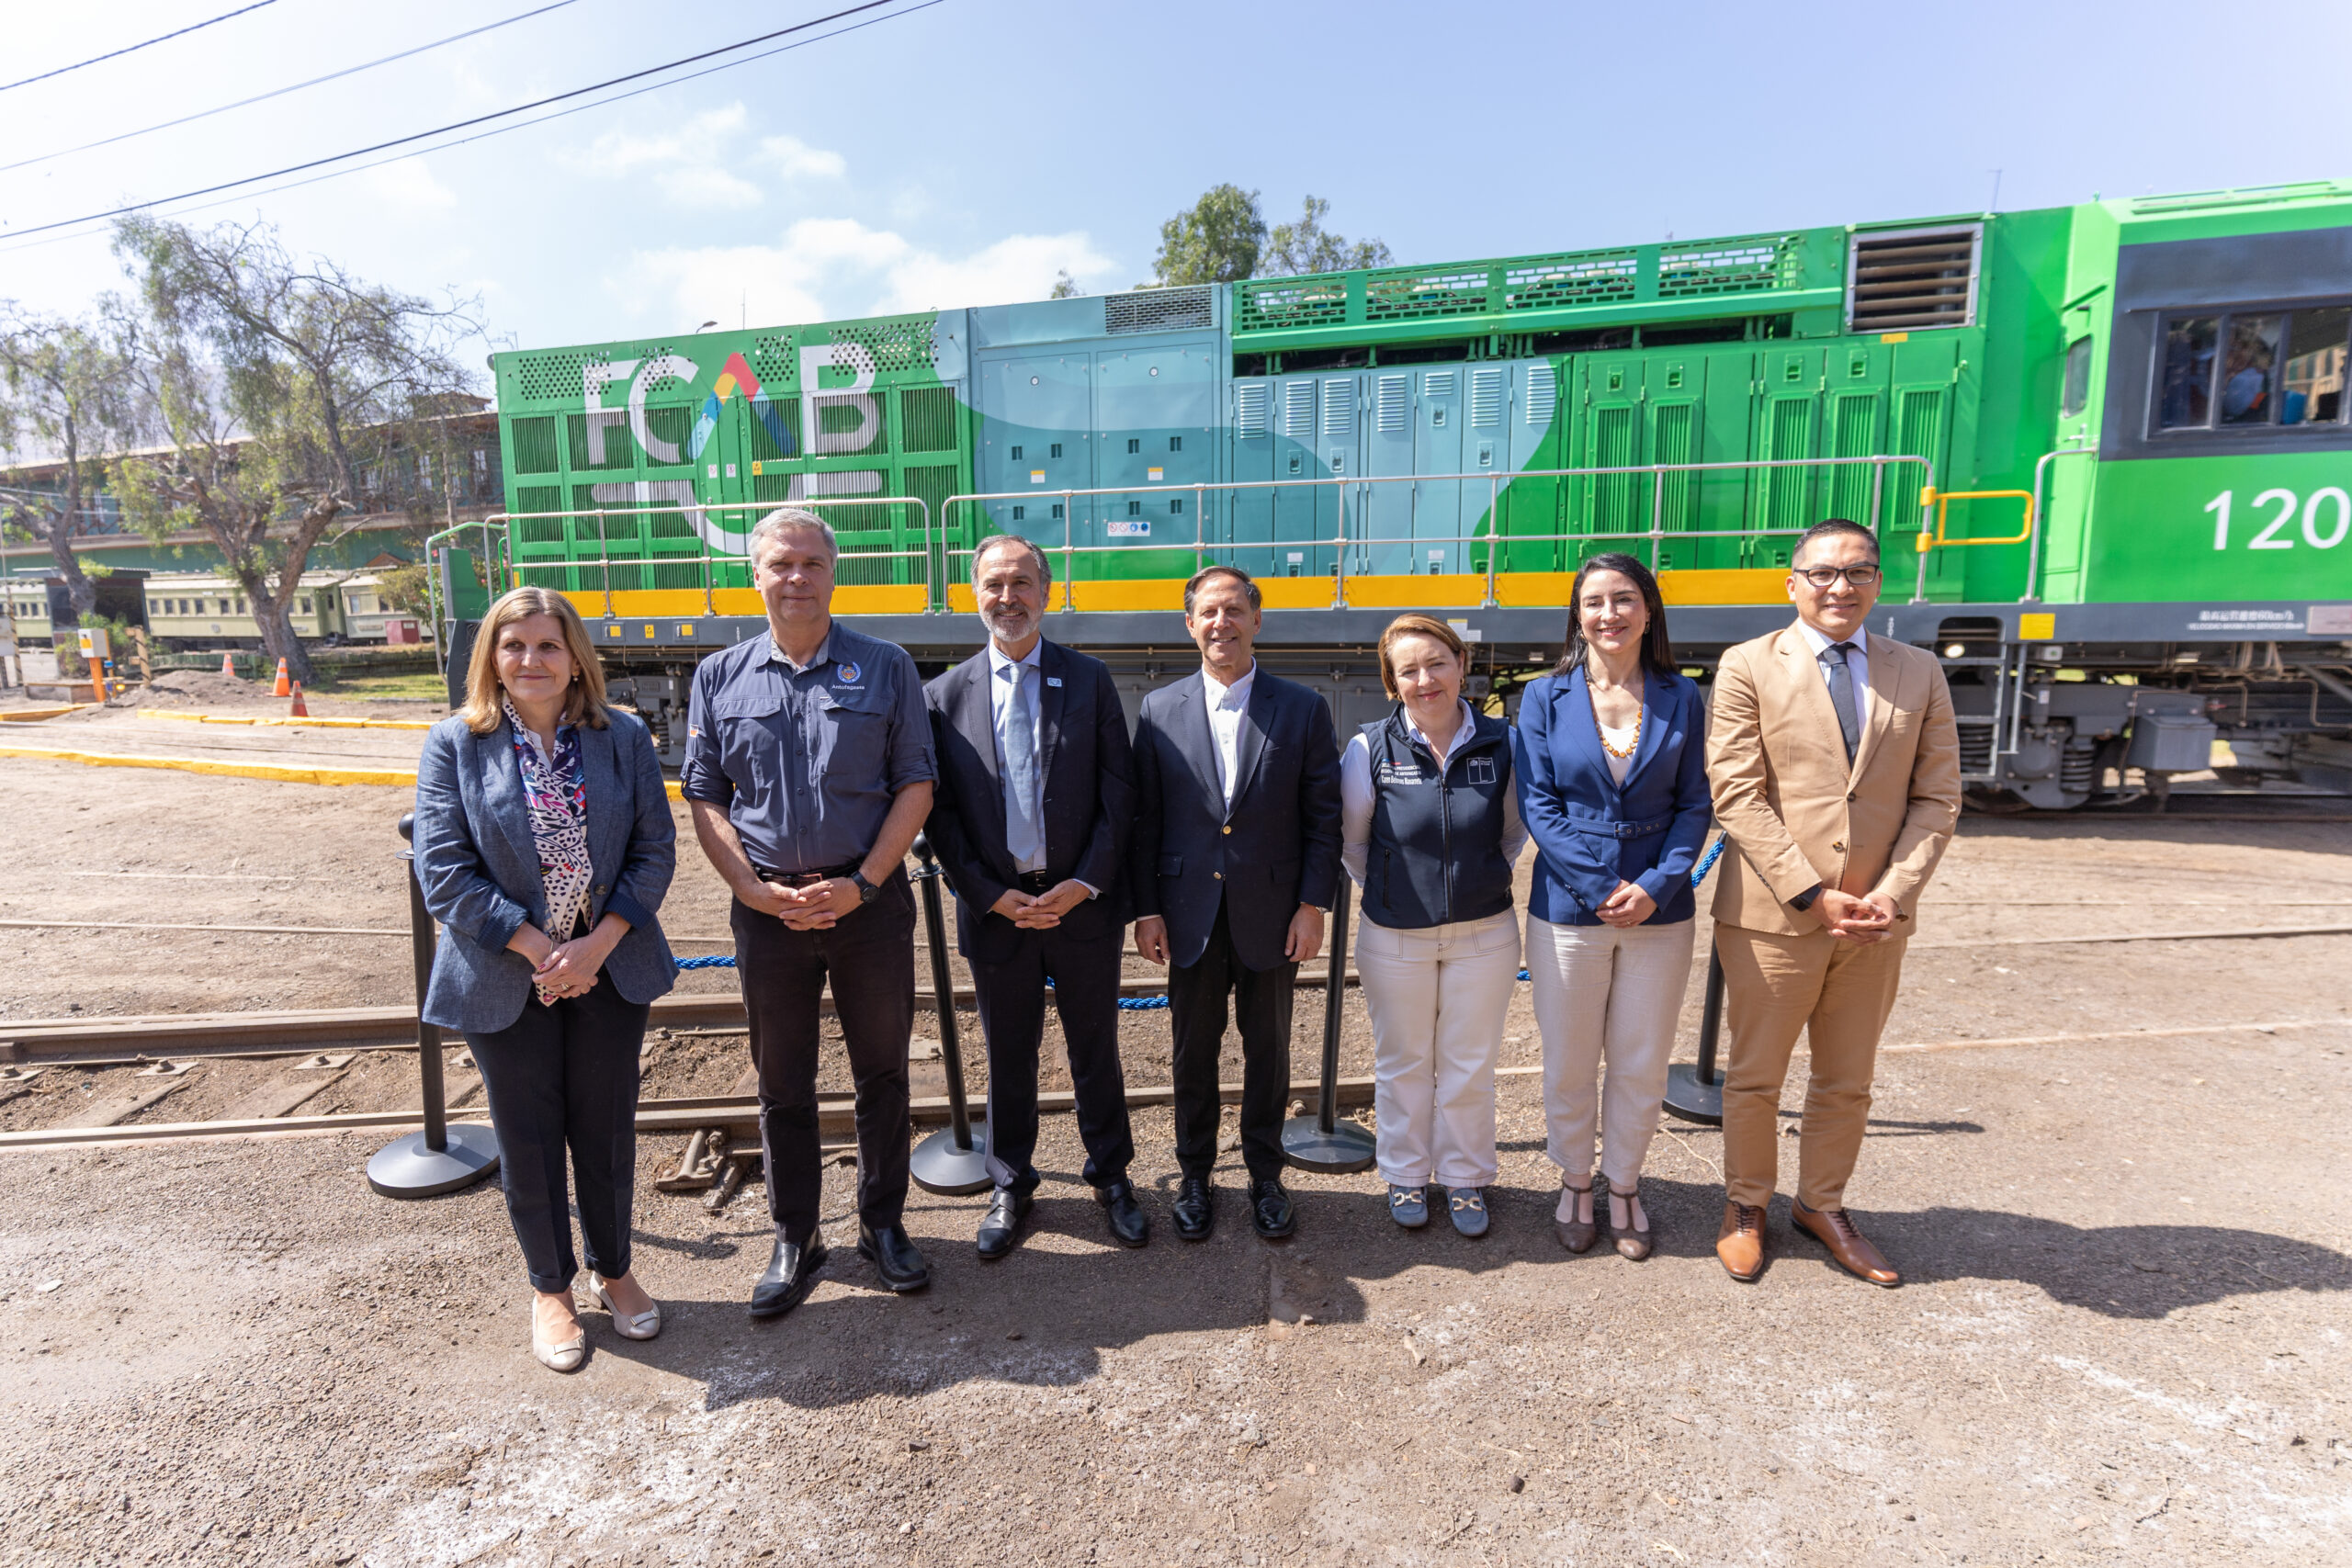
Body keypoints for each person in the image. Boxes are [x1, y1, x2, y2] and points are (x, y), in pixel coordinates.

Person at [413, 586, 677, 1372]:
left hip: (608, 967)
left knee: (606, 1130)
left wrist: (597, 944)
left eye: (548, 645)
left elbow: (655, 849)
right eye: (514, 644)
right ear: (491, 658)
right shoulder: (454, 744)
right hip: (503, 971)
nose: (531, 659)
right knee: (527, 1140)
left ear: (575, 658)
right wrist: (537, 946)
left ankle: (615, 1270)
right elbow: (443, 870)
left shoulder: (622, 737)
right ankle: (551, 1289)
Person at [681, 507, 937, 1317]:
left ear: (833, 573)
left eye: (811, 563)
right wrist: (751, 889)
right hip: (769, 914)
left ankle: (882, 1223)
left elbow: (916, 783)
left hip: (869, 906)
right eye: (780, 564)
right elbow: (705, 795)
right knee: (782, 1082)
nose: (796, 577)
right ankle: (796, 1234)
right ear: (755, 575)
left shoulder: (886, 666)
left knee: (883, 1074)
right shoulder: (719, 677)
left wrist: (863, 882)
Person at [1705, 517, 1961, 1288]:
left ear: (1879, 582)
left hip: (1875, 922)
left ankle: (1822, 1204)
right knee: (1755, 1076)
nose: (1839, 586)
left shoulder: (1920, 671)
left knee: (1847, 1078)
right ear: (1793, 583)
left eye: (1858, 571)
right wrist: (1813, 892)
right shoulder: (1748, 664)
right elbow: (1737, 793)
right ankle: (1746, 1205)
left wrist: (1892, 893)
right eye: (1822, 572)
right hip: (1775, 915)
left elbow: (1938, 797)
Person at [922, 535, 1147, 1258]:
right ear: (974, 594)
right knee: (1008, 1055)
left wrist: (1085, 883)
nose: (1007, 597)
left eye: (1022, 582)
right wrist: (989, 895)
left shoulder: (1089, 680)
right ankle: (1011, 1183)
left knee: (1096, 1050)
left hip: (1082, 906)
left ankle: (1111, 1176)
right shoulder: (943, 696)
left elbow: (1119, 792)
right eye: (994, 583)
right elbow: (940, 816)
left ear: (1046, 592)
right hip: (1000, 913)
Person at [1130, 565, 1341, 1241]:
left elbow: (1323, 817)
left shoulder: (1302, 707)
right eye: (1208, 612)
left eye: (1234, 610)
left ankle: (1265, 1175)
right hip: (1186, 912)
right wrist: (1146, 908)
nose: (1221, 622)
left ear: (1256, 620)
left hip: (1273, 914)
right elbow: (1145, 819)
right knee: (1192, 1052)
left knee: (1268, 1051)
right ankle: (1195, 1175)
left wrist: (1313, 904)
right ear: (1189, 625)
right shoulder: (1159, 709)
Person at [1513, 555, 1712, 1260]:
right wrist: (1600, 886)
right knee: (1570, 1060)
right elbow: (1539, 804)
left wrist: (1658, 882)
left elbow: (1695, 804)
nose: (1609, 614)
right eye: (1593, 601)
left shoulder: (1682, 696)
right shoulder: (1544, 696)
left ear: (1649, 610)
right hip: (1568, 908)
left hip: (1662, 909)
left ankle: (1624, 1182)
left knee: (1641, 1060)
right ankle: (1574, 1178)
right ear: (1577, 614)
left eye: (1624, 599)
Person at [1342, 615, 1526, 1237]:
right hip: (1394, 936)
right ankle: (1405, 1173)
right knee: (1403, 1061)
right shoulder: (1369, 748)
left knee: (1470, 1063)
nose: (1426, 680)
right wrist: (1394, 891)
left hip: (1485, 934)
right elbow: (1354, 843)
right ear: (1392, 683)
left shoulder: (1503, 743)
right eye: (1409, 670)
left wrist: (1475, 881)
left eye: (1437, 663)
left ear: (1461, 665)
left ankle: (1466, 1177)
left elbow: (1512, 832)